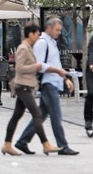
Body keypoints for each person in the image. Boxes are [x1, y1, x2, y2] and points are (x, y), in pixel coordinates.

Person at [15, 18, 79, 156]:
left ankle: (22, 141)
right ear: (49, 28)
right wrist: (58, 72)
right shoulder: (42, 43)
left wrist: (64, 78)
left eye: (60, 30)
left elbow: (56, 63)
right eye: (57, 30)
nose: (59, 33)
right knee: (56, 115)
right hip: (48, 83)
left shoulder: (52, 42)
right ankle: (63, 146)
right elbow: (39, 65)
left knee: (42, 115)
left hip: (54, 82)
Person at [1, 23, 63, 156]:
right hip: (22, 86)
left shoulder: (28, 47)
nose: (38, 37)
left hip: (25, 86)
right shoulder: (23, 48)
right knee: (37, 114)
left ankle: (7, 144)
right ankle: (46, 144)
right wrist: (36, 66)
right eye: (37, 34)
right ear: (30, 34)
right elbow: (19, 68)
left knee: (16, 116)